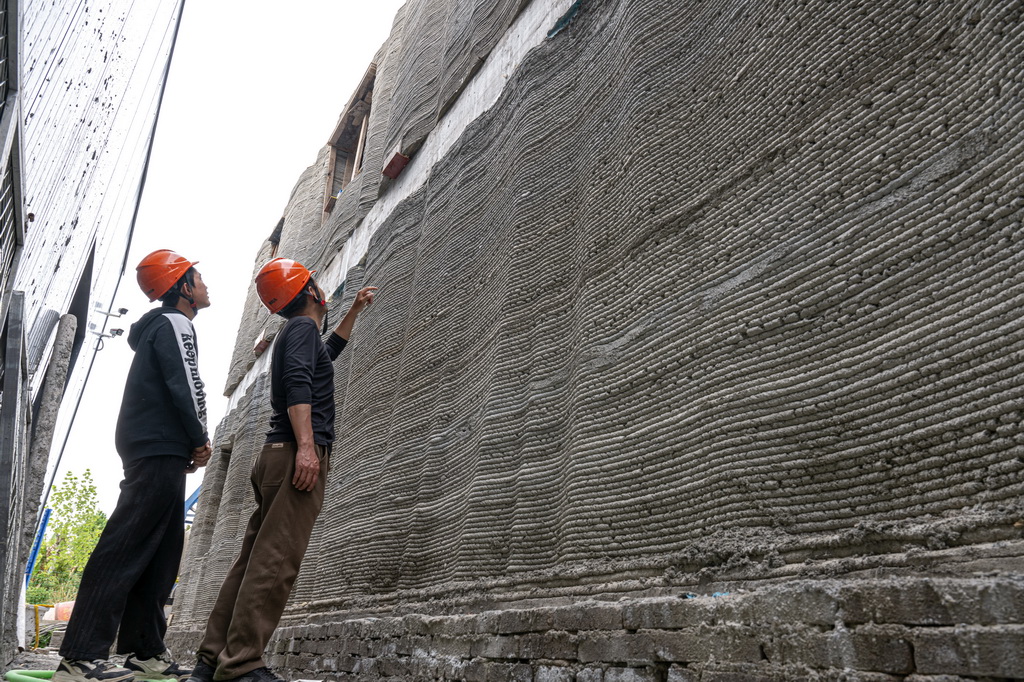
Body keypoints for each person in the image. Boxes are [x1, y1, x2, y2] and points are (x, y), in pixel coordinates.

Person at [189, 258, 376, 682]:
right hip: (295, 454)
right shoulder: (302, 330)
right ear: (311, 291)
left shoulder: (301, 332)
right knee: (275, 562)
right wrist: (308, 449)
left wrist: (352, 312)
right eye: (318, 284)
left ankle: (212, 660)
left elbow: (325, 358)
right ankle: (242, 665)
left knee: (252, 559)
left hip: (278, 453)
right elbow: (297, 386)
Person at [54, 249, 213, 682]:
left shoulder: (162, 326)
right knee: (125, 545)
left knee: (162, 552)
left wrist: (187, 444)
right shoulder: (174, 323)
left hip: (160, 444)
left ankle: (146, 651)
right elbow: (187, 383)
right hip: (157, 444)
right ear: (182, 288)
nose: (205, 285)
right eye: (197, 278)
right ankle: (80, 656)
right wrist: (199, 439)